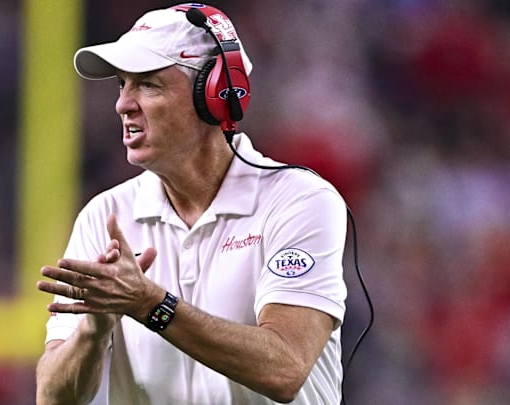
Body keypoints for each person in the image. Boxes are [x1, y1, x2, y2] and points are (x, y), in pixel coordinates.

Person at [36, 3, 348, 404]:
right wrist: (93, 331)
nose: (123, 104)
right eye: (121, 84)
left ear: (214, 95)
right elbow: (52, 398)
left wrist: (150, 303)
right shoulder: (105, 216)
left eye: (147, 84)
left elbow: (284, 367)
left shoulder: (298, 201)